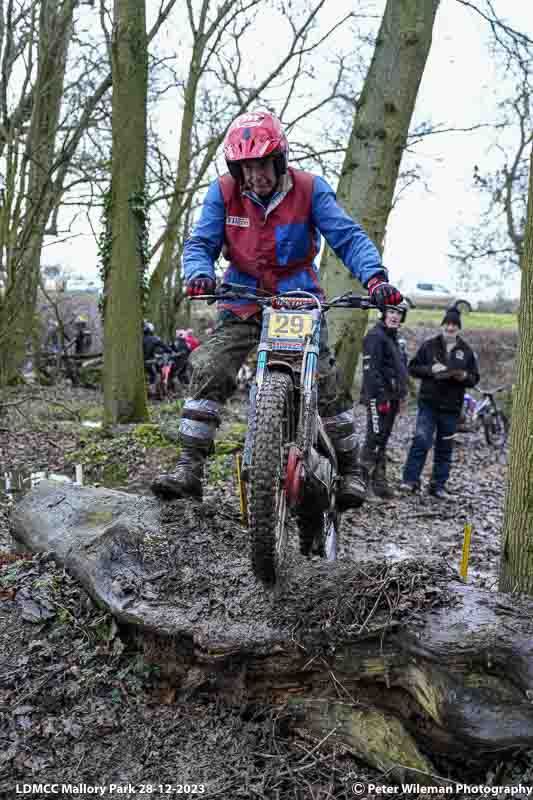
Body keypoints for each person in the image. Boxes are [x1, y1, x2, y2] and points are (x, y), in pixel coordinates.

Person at [151, 110, 402, 503]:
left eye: (262, 166)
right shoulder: (222, 192)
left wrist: (376, 279)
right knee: (208, 366)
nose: (255, 177)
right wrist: (199, 272)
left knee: (323, 378)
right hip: (242, 299)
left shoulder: (310, 189)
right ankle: (189, 466)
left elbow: (349, 238)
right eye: (246, 169)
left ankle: (351, 468)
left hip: (297, 300)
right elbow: (201, 243)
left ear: (280, 159)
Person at [400, 306, 480, 499]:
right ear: (443, 325)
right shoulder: (429, 345)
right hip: (429, 403)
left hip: (452, 408)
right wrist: (431, 370)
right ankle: (410, 481)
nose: (451, 328)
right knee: (421, 440)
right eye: (448, 324)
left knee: (445, 447)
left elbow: (475, 378)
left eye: (454, 325)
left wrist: (464, 376)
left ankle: (438, 486)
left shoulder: (466, 351)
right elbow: (413, 368)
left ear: (458, 328)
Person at [359, 303, 409, 499]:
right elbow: (371, 371)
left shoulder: (393, 339)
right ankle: (362, 484)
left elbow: (398, 371)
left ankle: (379, 484)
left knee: (383, 440)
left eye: (398, 313)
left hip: (392, 397)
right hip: (378, 398)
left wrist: (401, 395)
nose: (395, 316)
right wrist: (379, 398)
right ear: (383, 313)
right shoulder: (375, 336)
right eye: (391, 312)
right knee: (374, 439)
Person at [143, 320, 173, 385]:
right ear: (151, 330)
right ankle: (152, 389)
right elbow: (164, 346)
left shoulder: (140, 338)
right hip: (149, 361)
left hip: (141, 361)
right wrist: (170, 350)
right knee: (156, 374)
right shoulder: (154, 339)